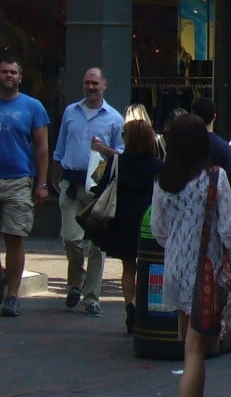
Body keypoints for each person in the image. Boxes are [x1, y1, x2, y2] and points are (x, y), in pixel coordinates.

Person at [151, 113, 231, 397]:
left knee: (190, 343)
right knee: (195, 350)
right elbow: (229, 229)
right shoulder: (216, 178)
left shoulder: (163, 180)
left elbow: (158, 230)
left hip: (175, 268)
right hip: (206, 272)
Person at [52, 67, 125, 316]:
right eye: (87, 83)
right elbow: (60, 148)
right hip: (71, 184)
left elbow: (121, 154)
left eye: (95, 83)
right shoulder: (71, 112)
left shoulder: (115, 118)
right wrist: (54, 176)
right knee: (71, 239)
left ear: (105, 85)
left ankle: (91, 296)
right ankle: (75, 283)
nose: (91, 87)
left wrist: (103, 148)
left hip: (97, 187)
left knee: (97, 246)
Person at [88, 118, 163, 334]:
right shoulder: (158, 166)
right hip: (149, 223)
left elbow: (100, 187)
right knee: (147, 267)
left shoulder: (117, 162)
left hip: (123, 222)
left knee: (128, 267)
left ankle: (129, 305)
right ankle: (141, 308)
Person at [0, 56, 49, 317]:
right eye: (4, 72)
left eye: (12, 73)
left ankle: (12, 295)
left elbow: (42, 148)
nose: (8, 76)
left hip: (19, 179)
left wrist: (42, 183)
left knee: (14, 237)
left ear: (20, 77)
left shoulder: (33, 107)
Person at [190, 97, 231, 190]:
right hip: (214, 199)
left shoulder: (184, 144)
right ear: (214, 117)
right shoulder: (224, 147)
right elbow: (230, 185)